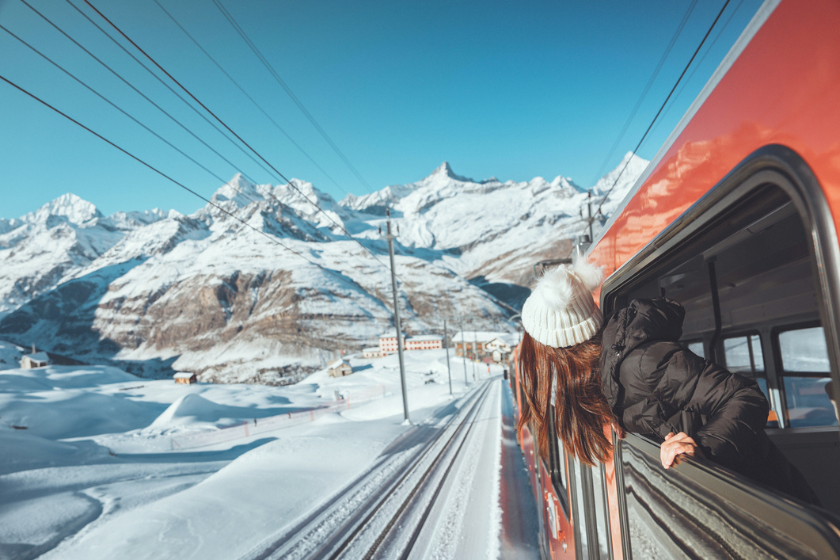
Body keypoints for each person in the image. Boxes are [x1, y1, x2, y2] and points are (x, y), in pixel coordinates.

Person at [517, 259, 818, 505]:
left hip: (773, 501)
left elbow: (746, 397)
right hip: (748, 503)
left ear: (560, 353)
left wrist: (700, 450)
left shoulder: (641, 364)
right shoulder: (610, 374)